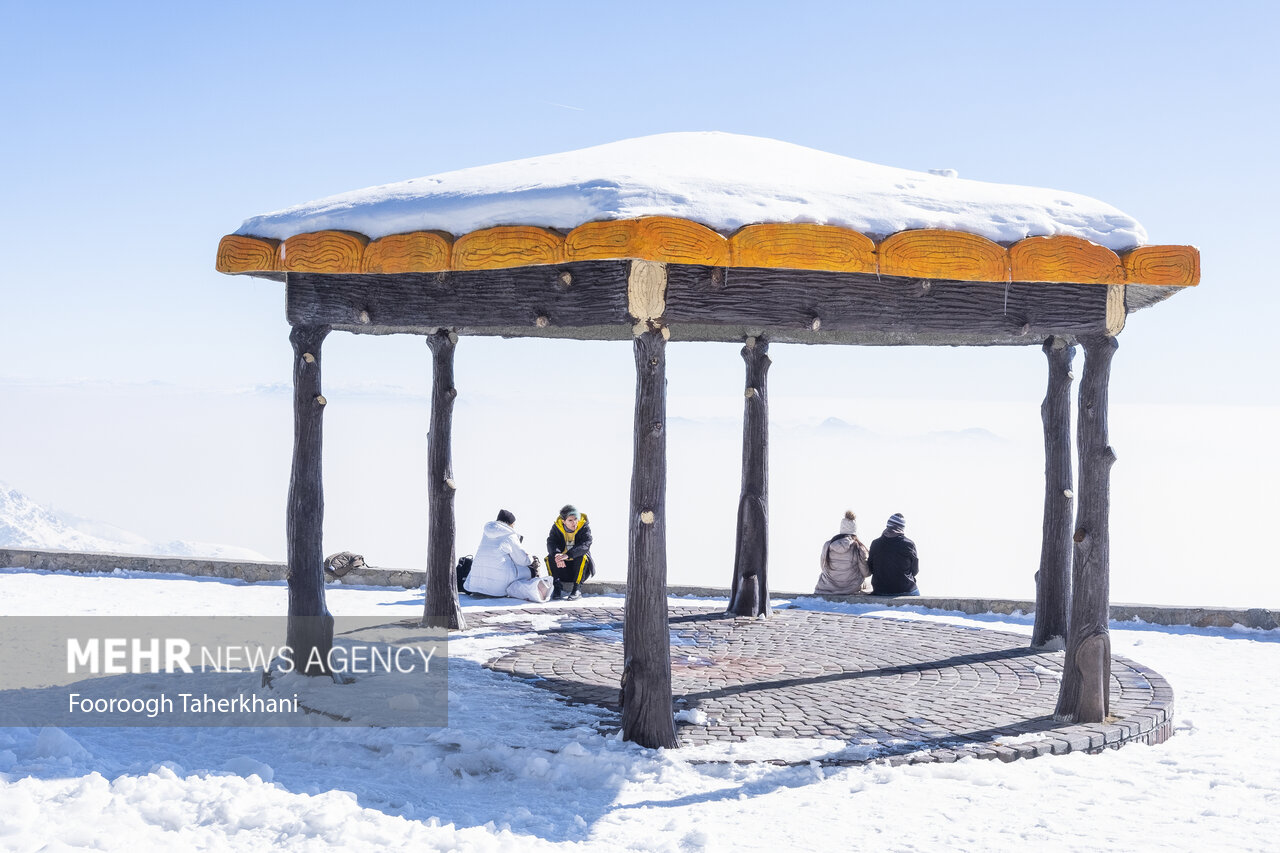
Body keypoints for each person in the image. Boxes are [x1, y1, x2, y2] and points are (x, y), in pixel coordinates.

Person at [464, 509, 541, 597]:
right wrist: (531, 558)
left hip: (475, 586)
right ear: (510, 523)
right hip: (496, 589)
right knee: (530, 570)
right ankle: (537, 589)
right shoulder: (510, 535)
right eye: (513, 524)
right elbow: (523, 561)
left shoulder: (486, 533)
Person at [814, 510, 870, 595]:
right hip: (850, 589)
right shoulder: (858, 548)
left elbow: (823, 566)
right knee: (869, 585)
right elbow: (866, 573)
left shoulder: (827, 545)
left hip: (825, 588)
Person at [546, 504, 595, 600]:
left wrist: (567, 555)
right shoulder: (556, 527)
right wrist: (557, 555)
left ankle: (577, 589)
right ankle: (556, 587)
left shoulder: (584, 527)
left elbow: (585, 545)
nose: (574, 523)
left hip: (580, 571)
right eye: (570, 520)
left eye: (576, 519)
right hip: (563, 569)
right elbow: (551, 542)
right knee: (550, 557)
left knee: (583, 556)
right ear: (564, 521)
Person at [867, 512, 920, 596]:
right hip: (906, 589)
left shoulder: (875, 543)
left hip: (880, 590)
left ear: (887, 526)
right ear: (902, 528)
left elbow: (870, 568)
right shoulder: (909, 544)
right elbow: (915, 571)